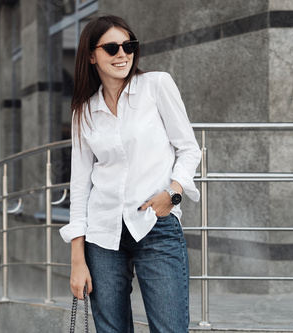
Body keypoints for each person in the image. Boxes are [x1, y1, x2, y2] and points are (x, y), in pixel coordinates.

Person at [59, 15, 201, 333]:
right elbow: (80, 186)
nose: (122, 54)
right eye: (112, 47)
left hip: (157, 226)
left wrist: (173, 193)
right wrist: (77, 260)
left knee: (170, 328)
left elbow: (189, 149)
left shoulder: (156, 86)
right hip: (102, 236)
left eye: (129, 45)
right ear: (91, 56)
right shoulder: (84, 111)